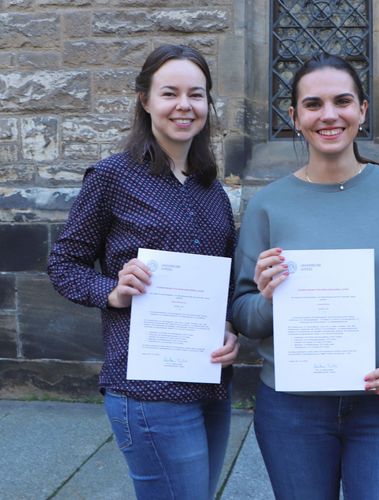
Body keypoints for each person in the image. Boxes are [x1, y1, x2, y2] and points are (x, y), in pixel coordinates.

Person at [231, 52, 379, 499]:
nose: (329, 115)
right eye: (313, 104)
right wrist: (268, 299)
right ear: (294, 116)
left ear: (362, 111)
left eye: (343, 101)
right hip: (292, 409)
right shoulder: (269, 204)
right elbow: (244, 313)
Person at [47, 45, 238, 500]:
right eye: (169, 93)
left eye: (196, 94)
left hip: (211, 382)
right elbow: (63, 263)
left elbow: (224, 279)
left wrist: (229, 325)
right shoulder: (113, 176)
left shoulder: (212, 188)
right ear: (145, 99)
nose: (184, 106)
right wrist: (111, 290)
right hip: (147, 388)